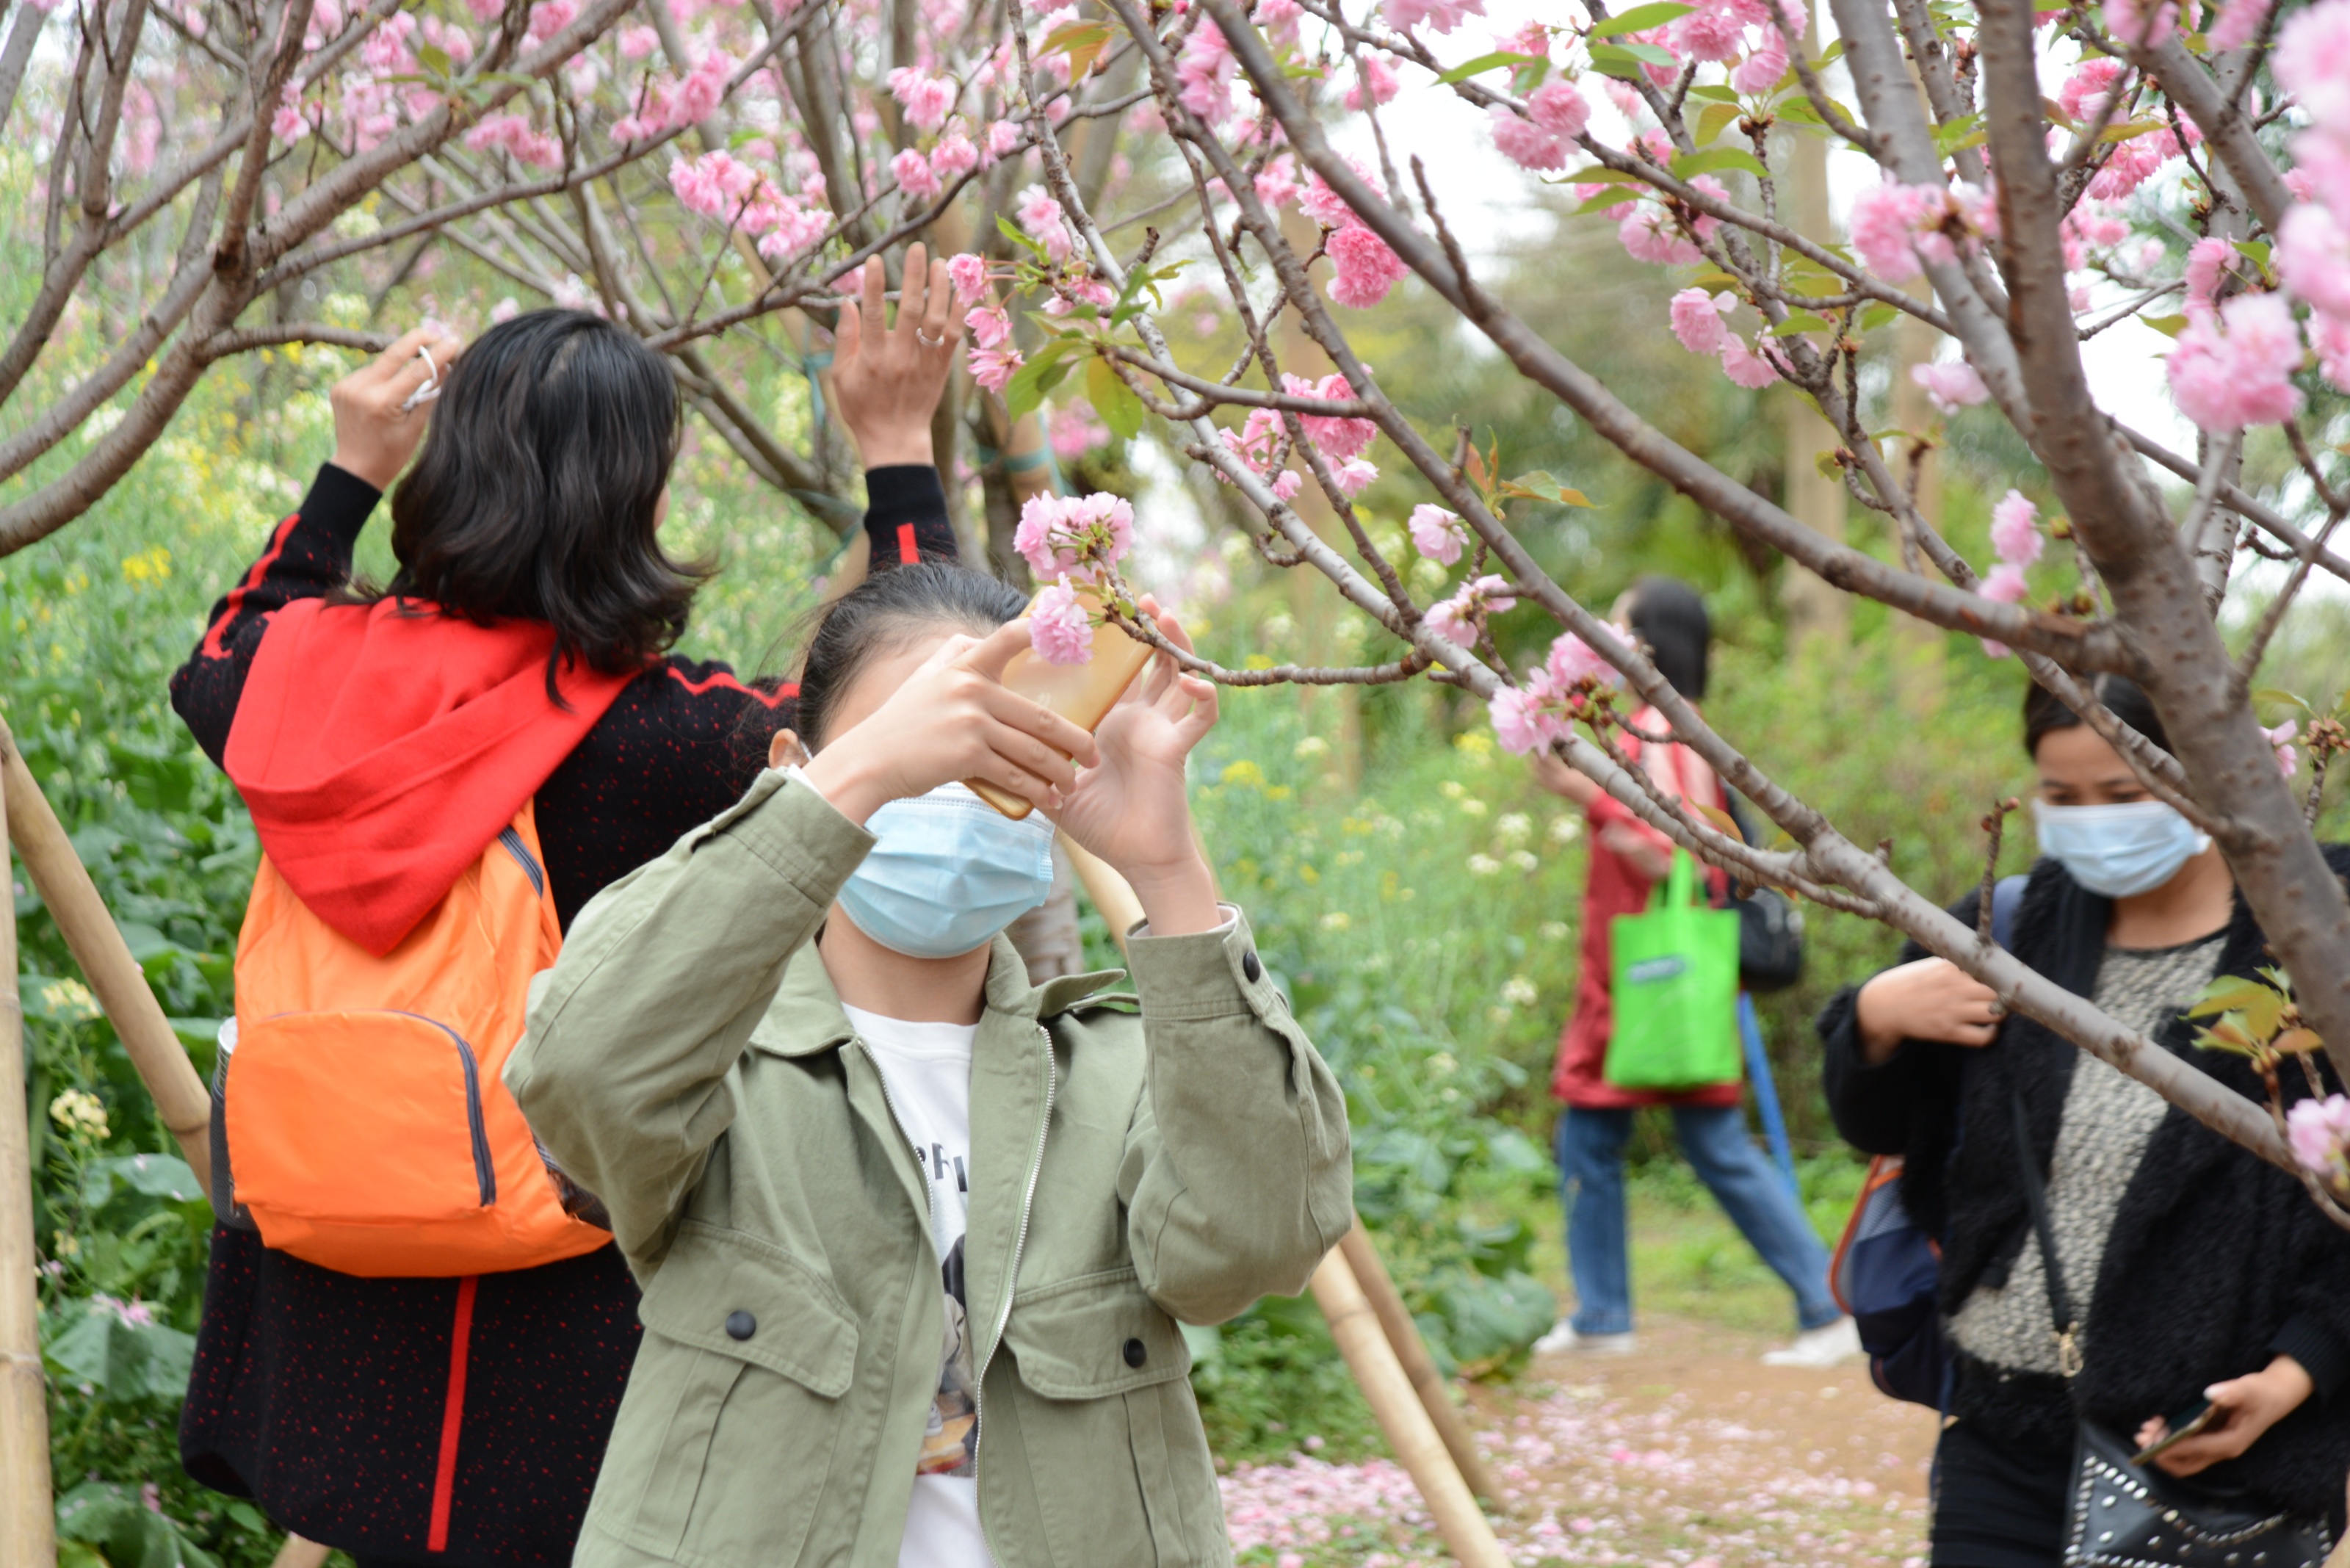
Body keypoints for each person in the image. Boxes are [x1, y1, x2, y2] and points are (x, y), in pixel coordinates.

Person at [171, 248, 972, 1567]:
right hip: (561, 1346)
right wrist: (895, 445)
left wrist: (349, 470)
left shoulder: (290, 676)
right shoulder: (675, 738)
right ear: (639, 495)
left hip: (334, 1306)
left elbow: (233, 635)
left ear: (450, 468)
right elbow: (907, 703)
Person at [504, 565, 1353, 1568]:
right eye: (922, 741)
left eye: (998, 747)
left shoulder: (1118, 1065)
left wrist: (1167, 870)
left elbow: (1257, 1241)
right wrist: (856, 784)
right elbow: (579, 1071)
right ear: (797, 766)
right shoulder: (716, 1058)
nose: (949, 789)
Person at [1821, 675, 2350, 1564]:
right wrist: (1873, 1018)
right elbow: (1877, 1122)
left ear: (2205, 776)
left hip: (2204, 1457)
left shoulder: (2314, 950)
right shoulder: (2007, 930)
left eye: (2121, 794)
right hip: (1998, 1428)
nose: (2091, 821)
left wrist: (2295, 1372)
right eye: (2061, 797)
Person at [1528, 577, 1854, 1366]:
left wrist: (1590, 795)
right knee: (1612, 1139)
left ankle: (1820, 1303)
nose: (1600, 632)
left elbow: (1674, 851)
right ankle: (1611, 1312)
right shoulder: (1661, 727)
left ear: (1647, 640)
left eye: (1616, 620)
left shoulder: (1662, 731)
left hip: (1648, 978)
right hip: (1638, 977)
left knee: (1672, 1140)